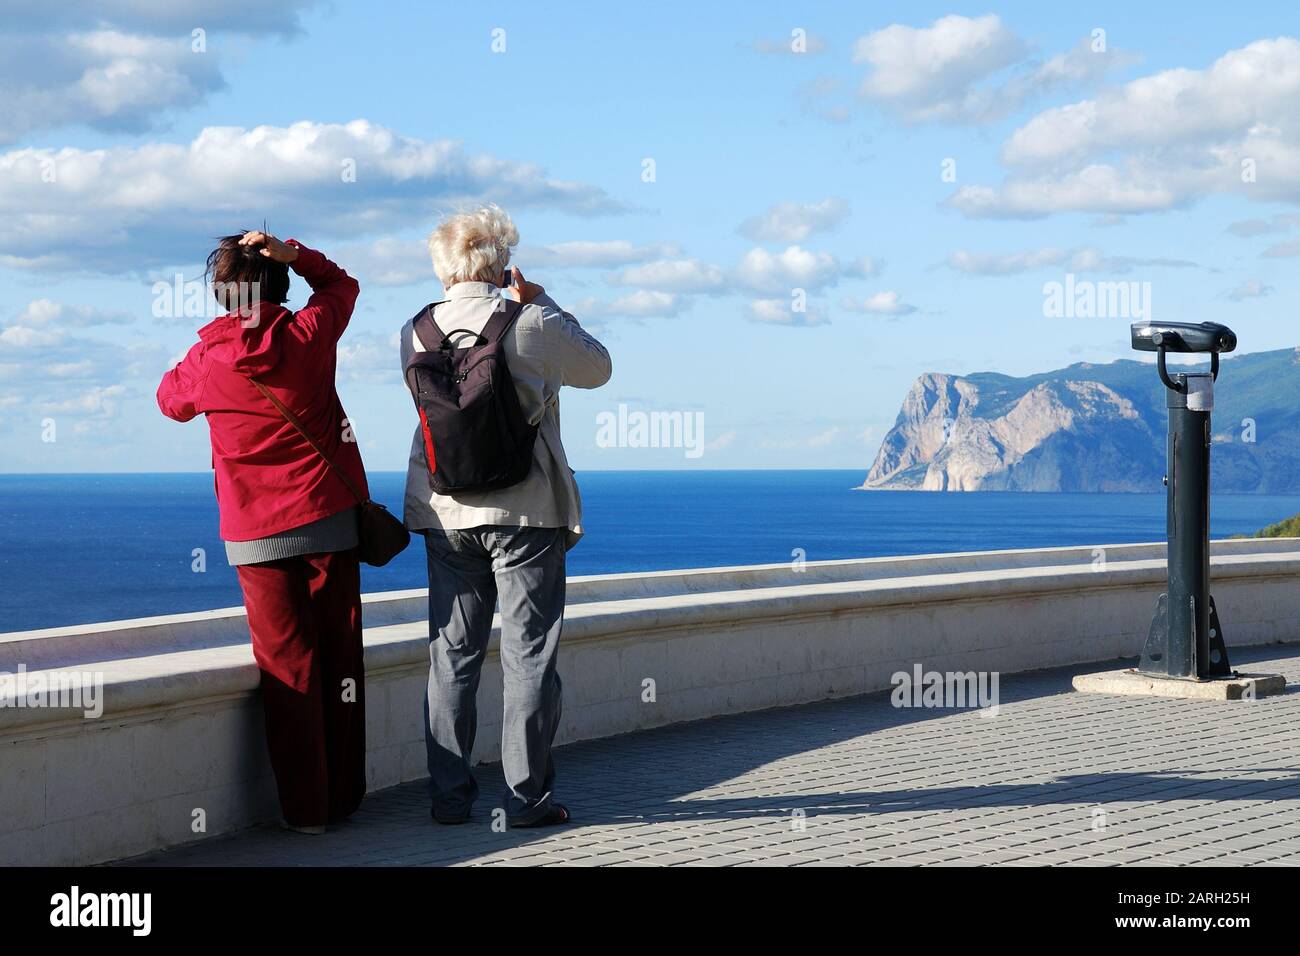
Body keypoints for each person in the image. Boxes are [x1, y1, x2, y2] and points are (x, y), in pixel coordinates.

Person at [400, 204, 612, 827]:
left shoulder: (414, 331)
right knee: (529, 656)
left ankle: (448, 796)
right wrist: (548, 303)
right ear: (501, 263)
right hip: (526, 510)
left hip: (445, 510)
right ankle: (526, 798)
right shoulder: (530, 321)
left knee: (452, 655)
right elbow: (598, 368)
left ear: (443, 267)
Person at [157, 231, 367, 834]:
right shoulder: (308, 334)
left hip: (256, 537)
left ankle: (306, 813)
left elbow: (168, 401)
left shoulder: (206, 360)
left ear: (223, 294)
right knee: (339, 663)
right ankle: (344, 798)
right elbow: (341, 285)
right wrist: (295, 253)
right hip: (329, 522)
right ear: (277, 284)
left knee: (288, 669)